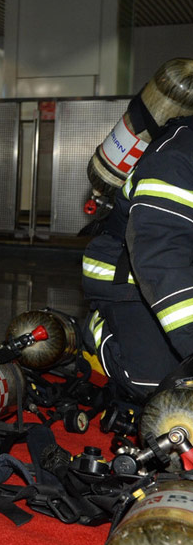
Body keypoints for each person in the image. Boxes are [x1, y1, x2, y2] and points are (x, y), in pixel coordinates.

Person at [81, 114, 193, 403]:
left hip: (178, 274)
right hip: (128, 274)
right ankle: (97, 329)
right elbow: (159, 254)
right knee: (161, 386)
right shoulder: (176, 156)